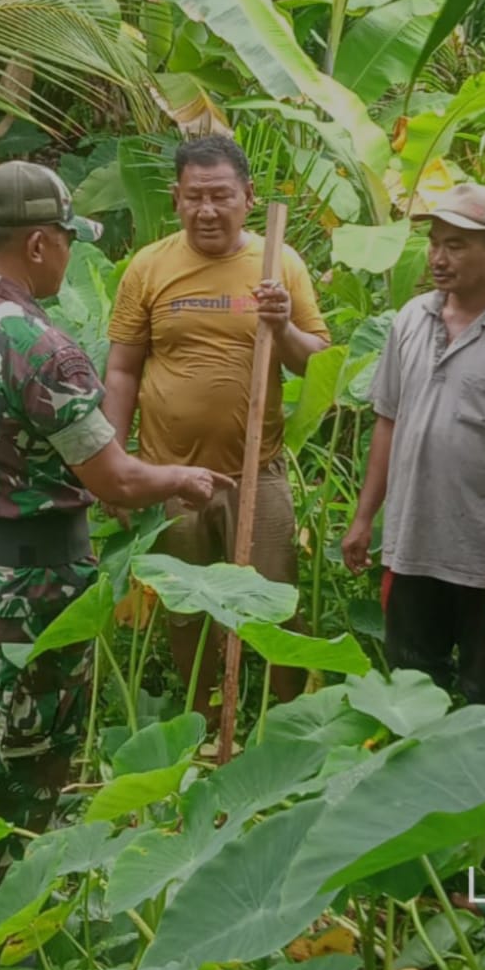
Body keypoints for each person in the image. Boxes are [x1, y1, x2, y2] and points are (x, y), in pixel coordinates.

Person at [0, 161, 232, 892]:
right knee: (33, 763)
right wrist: (182, 478)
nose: (70, 255)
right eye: (67, 240)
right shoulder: (40, 345)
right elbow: (114, 478)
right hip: (35, 584)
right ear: (40, 245)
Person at [102, 135, 331, 718]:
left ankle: (297, 726)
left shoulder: (281, 265)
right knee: (187, 612)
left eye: (221, 196)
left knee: (276, 607)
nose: (208, 210)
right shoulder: (148, 267)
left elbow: (316, 360)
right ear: (176, 199)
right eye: (194, 197)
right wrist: (112, 469)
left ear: (248, 197)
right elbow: (123, 370)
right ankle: (201, 726)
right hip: (170, 477)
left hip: (256, 472)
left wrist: (281, 328)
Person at [342, 183, 485, 705]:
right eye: (435, 243)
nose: (439, 258)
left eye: (457, 245)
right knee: (412, 696)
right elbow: (388, 422)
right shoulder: (410, 320)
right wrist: (363, 519)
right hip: (411, 547)